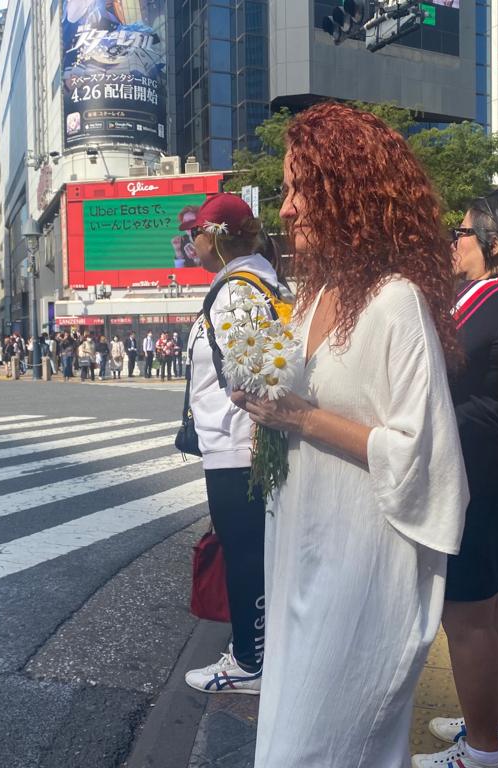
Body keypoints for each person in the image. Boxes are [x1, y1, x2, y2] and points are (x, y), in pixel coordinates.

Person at [234, 103, 468, 768]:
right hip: (299, 548)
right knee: (293, 729)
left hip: (363, 561)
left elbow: (423, 452)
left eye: (300, 190)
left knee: (320, 743)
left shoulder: (395, 302)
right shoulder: (312, 298)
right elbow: (294, 401)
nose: (286, 209)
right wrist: (262, 404)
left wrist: (301, 419)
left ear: (348, 191)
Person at [418, 189, 498, 768]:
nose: (453, 242)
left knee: (465, 616)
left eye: (461, 233)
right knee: (488, 610)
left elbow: (427, 361)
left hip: (478, 470)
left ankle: (483, 750)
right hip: (493, 466)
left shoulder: (492, 297)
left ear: (493, 243)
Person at [180, 193, 286, 699]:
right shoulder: (260, 281)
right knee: (254, 553)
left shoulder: (236, 292)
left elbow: (253, 375)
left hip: (237, 443)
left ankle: (249, 661)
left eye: (194, 234)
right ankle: (259, 652)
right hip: (247, 442)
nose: (190, 244)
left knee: (244, 556)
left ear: (216, 237)